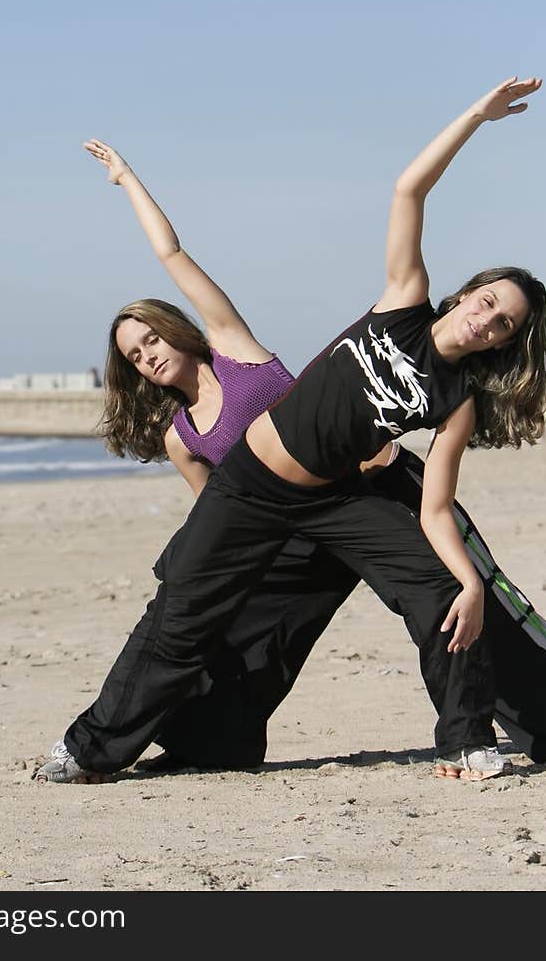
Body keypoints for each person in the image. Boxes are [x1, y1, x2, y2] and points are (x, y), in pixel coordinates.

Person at [36, 76, 546, 785]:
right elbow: (408, 190)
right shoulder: (403, 302)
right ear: (465, 293)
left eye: (504, 324)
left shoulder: (458, 398)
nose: (488, 319)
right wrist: (476, 117)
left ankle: (466, 743)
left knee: (435, 591)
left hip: (334, 503)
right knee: (180, 613)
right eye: (488, 301)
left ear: (503, 341)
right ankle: (90, 751)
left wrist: (467, 581)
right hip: (249, 486)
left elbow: (435, 507)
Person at [71, 139, 389, 770]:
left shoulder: (236, 350)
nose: (149, 355)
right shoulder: (180, 437)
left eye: (151, 339)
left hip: (351, 502)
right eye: (135, 356)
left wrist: (127, 178)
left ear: (174, 328)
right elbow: (219, 514)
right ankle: (215, 746)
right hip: (283, 542)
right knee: (254, 649)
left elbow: (171, 252)